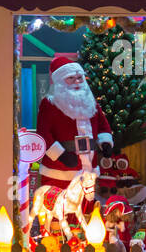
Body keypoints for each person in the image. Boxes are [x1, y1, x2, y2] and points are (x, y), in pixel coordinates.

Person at [32, 55, 113, 229]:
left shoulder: (92, 103)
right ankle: (54, 242)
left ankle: (85, 241)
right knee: (58, 210)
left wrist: (105, 142)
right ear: (60, 81)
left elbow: (103, 126)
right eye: (71, 78)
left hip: (88, 167)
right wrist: (60, 155)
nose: (77, 81)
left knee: (85, 208)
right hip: (60, 169)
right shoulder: (49, 104)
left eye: (79, 77)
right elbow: (44, 134)